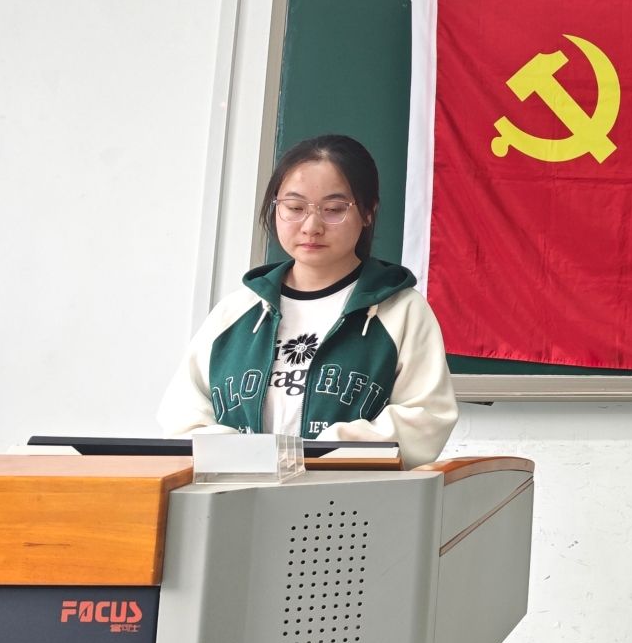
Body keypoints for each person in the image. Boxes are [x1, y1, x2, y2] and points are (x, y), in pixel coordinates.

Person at [159, 134, 456, 468]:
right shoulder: (237, 311)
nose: (312, 226)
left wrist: (318, 455)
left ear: (368, 212)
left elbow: (425, 418)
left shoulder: (401, 311)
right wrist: (248, 458)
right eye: (295, 208)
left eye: (333, 210)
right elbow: (183, 416)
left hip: (347, 495)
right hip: (239, 491)